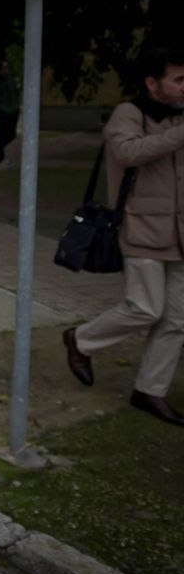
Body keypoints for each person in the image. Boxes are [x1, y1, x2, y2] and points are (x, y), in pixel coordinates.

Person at [64, 45, 184, 426]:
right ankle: (80, 340)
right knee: (145, 308)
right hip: (141, 228)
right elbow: (129, 152)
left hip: (181, 235)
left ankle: (150, 390)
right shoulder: (128, 114)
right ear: (153, 83)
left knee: (178, 319)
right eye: (179, 80)